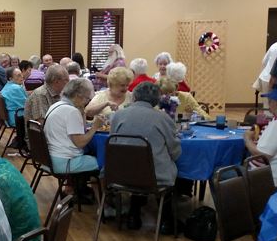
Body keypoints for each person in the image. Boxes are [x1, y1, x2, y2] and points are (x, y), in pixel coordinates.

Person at [110, 82, 182, 230]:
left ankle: (133, 214)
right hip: (154, 176)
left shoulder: (118, 115)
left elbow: (113, 143)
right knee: (163, 166)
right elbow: (175, 151)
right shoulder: (163, 118)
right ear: (157, 100)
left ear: (134, 96)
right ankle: (166, 220)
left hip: (120, 174)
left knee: (138, 164)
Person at [43, 78, 103, 175]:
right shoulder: (71, 112)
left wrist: (82, 111)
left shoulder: (56, 105)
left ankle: (79, 184)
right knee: (103, 160)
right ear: (78, 96)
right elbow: (80, 143)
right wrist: (95, 127)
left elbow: (81, 129)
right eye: (87, 99)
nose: (87, 102)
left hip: (49, 158)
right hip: (64, 162)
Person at [246, 83, 277, 186]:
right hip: (270, 175)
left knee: (217, 173)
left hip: (264, 179)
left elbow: (261, 157)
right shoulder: (276, 120)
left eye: (270, 101)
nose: (268, 105)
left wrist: (247, 139)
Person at [255, 42, 277, 108]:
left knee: (268, 107)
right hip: (274, 79)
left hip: (266, 78)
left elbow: (264, 61)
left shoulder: (274, 45)